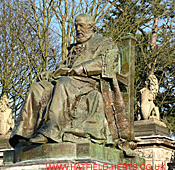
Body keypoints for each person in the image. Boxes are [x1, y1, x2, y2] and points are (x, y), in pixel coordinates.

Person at [9, 14, 133, 153]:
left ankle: (52, 129)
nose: (77, 29)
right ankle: (23, 134)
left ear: (91, 27)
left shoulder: (104, 43)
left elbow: (107, 63)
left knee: (63, 84)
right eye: (76, 26)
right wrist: (50, 74)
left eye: (81, 26)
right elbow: (65, 66)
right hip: (69, 79)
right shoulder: (74, 48)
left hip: (89, 82)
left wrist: (83, 68)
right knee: (37, 88)